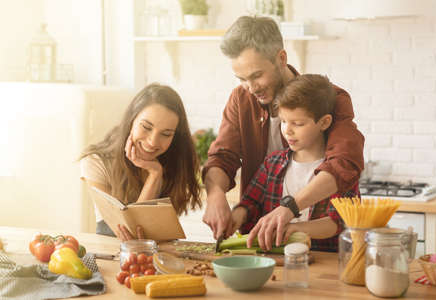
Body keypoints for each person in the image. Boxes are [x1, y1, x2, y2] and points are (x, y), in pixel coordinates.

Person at [201, 16, 364, 250]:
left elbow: (344, 163)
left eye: (257, 75)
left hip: (317, 249)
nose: (251, 87)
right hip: (260, 245)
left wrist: (289, 209)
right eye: (242, 79)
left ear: (281, 58)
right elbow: (222, 157)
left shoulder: (329, 99)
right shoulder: (241, 99)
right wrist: (215, 195)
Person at [231, 75, 360, 252]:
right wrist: (235, 217)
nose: (287, 130)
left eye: (297, 123)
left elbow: (336, 222)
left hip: (323, 262)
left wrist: (295, 229)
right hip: (276, 261)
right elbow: (250, 203)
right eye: (283, 121)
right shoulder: (272, 163)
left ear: (324, 122)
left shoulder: (340, 171)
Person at [80, 83, 201, 241]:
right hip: (113, 252)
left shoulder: (175, 161)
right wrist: (154, 175)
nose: (152, 142)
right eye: (146, 127)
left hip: (161, 255)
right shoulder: (96, 162)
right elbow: (131, 234)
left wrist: (155, 173)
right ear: (131, 120)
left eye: (166, 134)